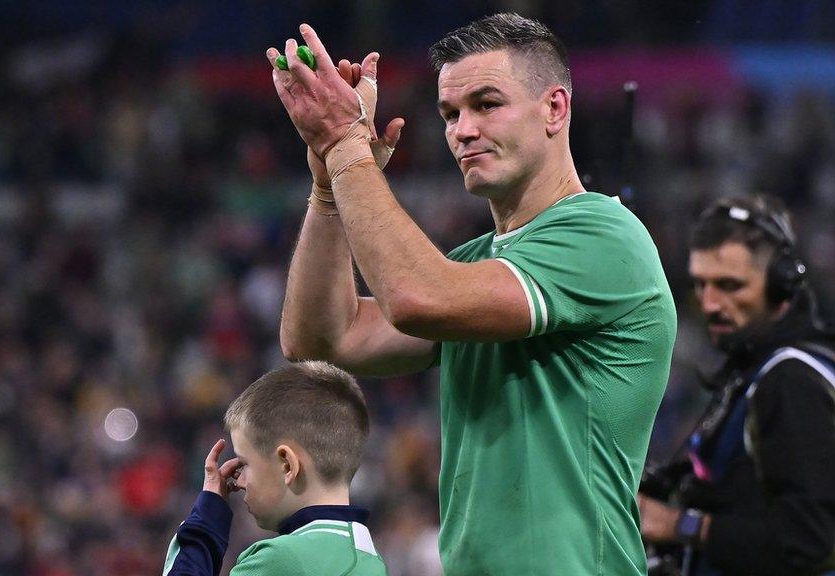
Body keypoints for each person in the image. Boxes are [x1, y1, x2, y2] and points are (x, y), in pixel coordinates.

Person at [268, 12, 676, 575]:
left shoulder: (603, 237)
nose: (462, 130)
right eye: (450, 113)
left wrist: (347, 146)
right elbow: (322, 338)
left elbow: (416, 297)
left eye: (486, 104)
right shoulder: (477, 264)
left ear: (555, 108)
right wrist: (328, 188)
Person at [638, 195, 835, 576]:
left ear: (781, 287)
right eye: (700, 284)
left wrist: (679, 524)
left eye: (730, 285)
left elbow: (814, 542)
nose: (709, 304)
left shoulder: (790, 380)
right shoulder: (758, 370)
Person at [162, 361, 387, 575]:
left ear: (287, 464)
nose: (238, 482)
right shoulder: (369, 559)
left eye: (245, 463)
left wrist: (207, 517)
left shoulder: (280, 560)